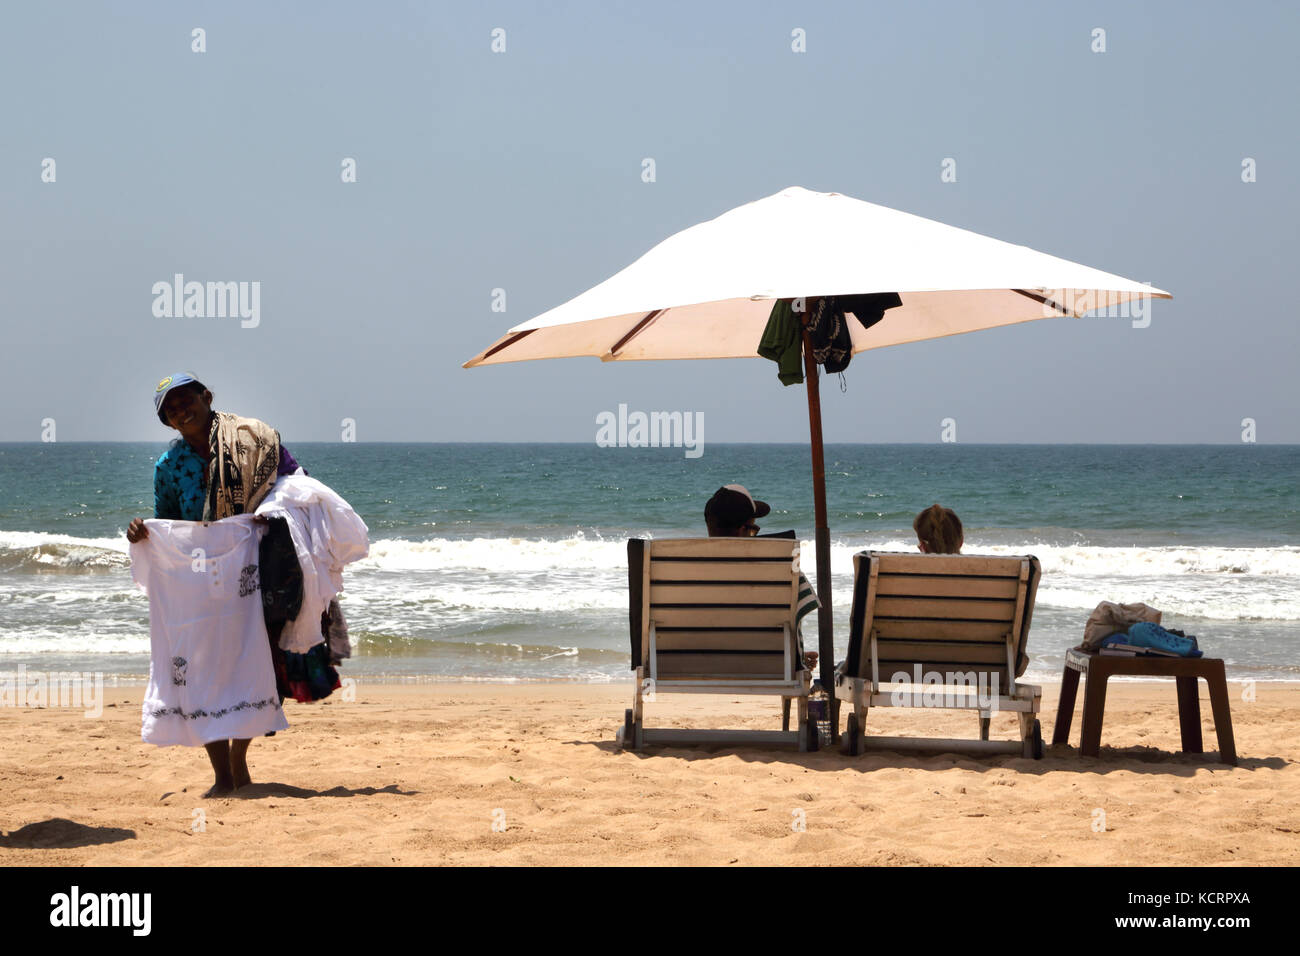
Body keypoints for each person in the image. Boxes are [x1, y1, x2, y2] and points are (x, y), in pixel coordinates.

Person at [126, 372, 302, 796]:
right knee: (201, 672)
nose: (180, 410)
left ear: (207, 397)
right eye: (170, 409)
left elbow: (297, 486)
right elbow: (167, 521)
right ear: (166, 422)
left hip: (253, 569)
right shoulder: (168, 467)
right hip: (198, 583)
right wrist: (143, 532)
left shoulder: (253, 439)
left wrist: (270, 513)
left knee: (251, 664)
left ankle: (239, 758)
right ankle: (222, 775)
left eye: (186, 399)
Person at [703, 484, 819, 670]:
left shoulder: (679, 570)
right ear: (743, 530)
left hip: (685, 665)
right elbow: (794, 621)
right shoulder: (778, 569)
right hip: (770, 667)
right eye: (753, 529)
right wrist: (796, 659)